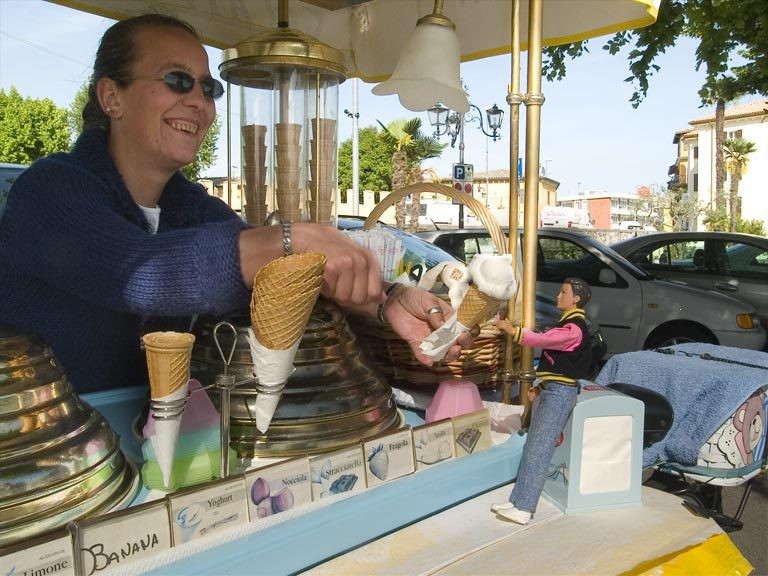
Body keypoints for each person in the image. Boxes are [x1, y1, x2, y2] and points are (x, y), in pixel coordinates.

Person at [0, 14, 472, 393]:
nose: (200, 102)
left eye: (208, 88)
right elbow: (136, 272)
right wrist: (290, 239)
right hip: (40, 453)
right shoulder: (48, 191)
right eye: (177, 80)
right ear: (111, 97)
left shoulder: (189, 207)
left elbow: (276, 276)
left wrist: (386, 299)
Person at [492, 277, 593, 525]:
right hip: (553, 390)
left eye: (564, 292)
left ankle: (525, 507)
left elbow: (544, 340)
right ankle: (517, 500)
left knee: (539, 449)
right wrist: (541, 387)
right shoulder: (568, 325)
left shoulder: (574, 328)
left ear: (576, 299)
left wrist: (514, 331)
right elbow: (557, 367)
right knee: (533, 447)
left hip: (560, 394)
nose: (558, 296)